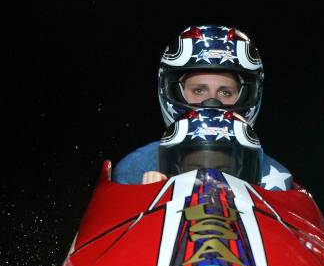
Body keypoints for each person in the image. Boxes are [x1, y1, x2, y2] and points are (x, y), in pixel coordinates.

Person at [112, 25, 293, 191]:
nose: (211, 103)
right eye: (198, 90)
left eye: (225, 92)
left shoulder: (276, 180)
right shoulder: (135, 169)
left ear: (246, 95)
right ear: (173, 91)